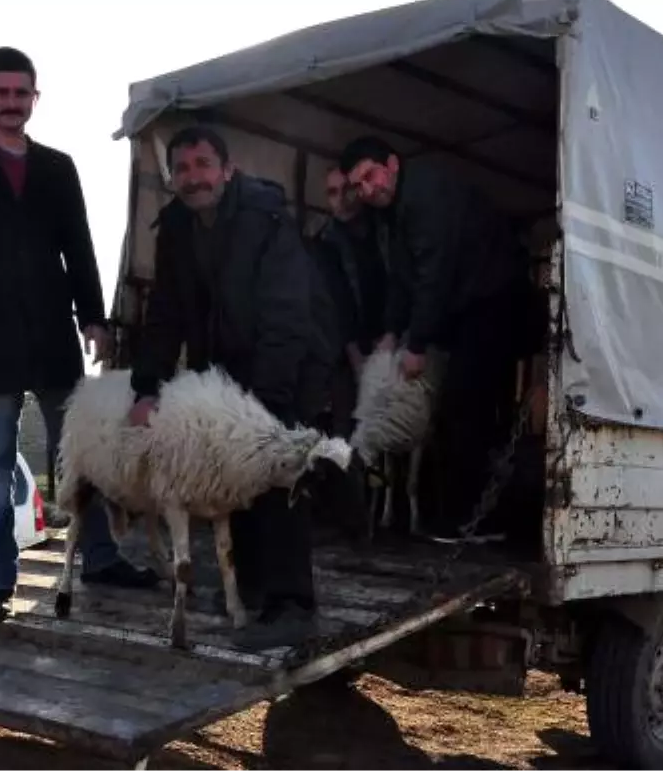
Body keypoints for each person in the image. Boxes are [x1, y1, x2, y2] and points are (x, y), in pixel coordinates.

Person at [0, 46, 159, 622]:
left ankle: (100, 556)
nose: (10, 103)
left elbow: (78, 244)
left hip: (52, 334)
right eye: (0, 93)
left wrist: (93, 318)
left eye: (20, 94)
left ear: (34, 98)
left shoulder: (58, 167)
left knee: (82, 454)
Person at [128, 125, 328, 650]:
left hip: (287, 363)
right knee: (235, 475)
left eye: (203, 165)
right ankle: (256, 589)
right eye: (184, 169)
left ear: (227, 170)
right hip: (226, 372)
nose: (194, 178)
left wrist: (264, 401)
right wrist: (146, 386)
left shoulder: (266, 221)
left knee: (281, 473)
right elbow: (165, 314)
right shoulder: (174, 228)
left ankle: (293, 606)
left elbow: (287, 312)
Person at [338, 135, 538, 539]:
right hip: (470, 307)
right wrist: (393, 330)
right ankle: (464, 513)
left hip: (494, 301)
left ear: (391, 165)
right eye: (358, 185)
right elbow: (402, 278)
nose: (367, 189)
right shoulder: (393, 214)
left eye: (370, 176)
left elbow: (435, 275)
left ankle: (475, 519)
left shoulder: (424, 197)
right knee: (463, 406)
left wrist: (415, 345)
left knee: (465, 405)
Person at [309, 165, 391, 438]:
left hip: (393, 340)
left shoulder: (386, 232)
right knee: (350, 425)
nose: (341, 199)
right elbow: (336, 308)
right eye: (332, 193)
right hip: (346, 350)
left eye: (346, 190)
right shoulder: (324, 244)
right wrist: (357, 359)